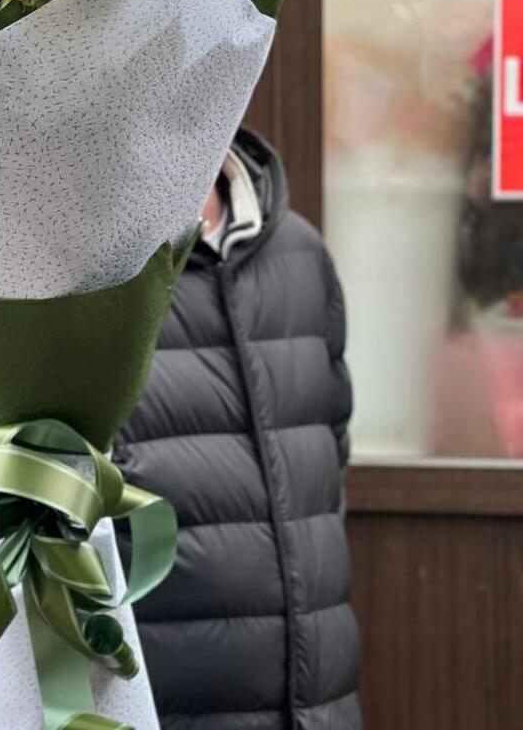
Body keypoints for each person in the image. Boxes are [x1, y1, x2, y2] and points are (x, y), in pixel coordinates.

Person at [114, 126, 362, 729]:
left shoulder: (299, 252)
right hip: (157, 703)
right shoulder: (69, 270)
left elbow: (329, 454)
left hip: (318, 704)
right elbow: (5, 477)